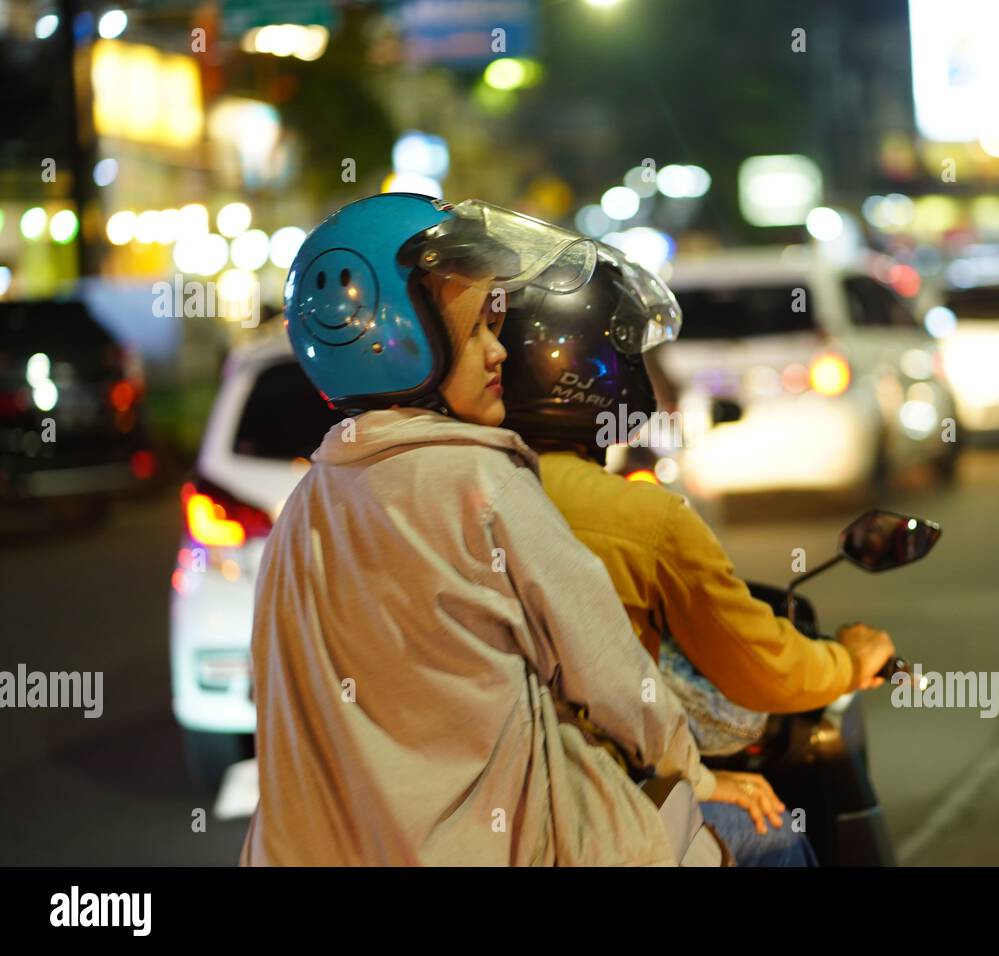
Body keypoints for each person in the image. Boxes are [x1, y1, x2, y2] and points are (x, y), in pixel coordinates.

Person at [239, 193, 759, 866]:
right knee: (765, 839)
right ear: (399, 334)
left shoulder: (309, 505)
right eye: (478, 328)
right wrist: (695, 769)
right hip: (515, 849)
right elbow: (612, 676)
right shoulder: (480, 483)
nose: (498, 353)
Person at [498, 244, 898, 866]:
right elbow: (758, 667)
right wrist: (849, 659)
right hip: (577, 815)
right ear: (597, 372)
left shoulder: (438, 495)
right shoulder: (642, 517)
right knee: (771, 836)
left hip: (455, 810)